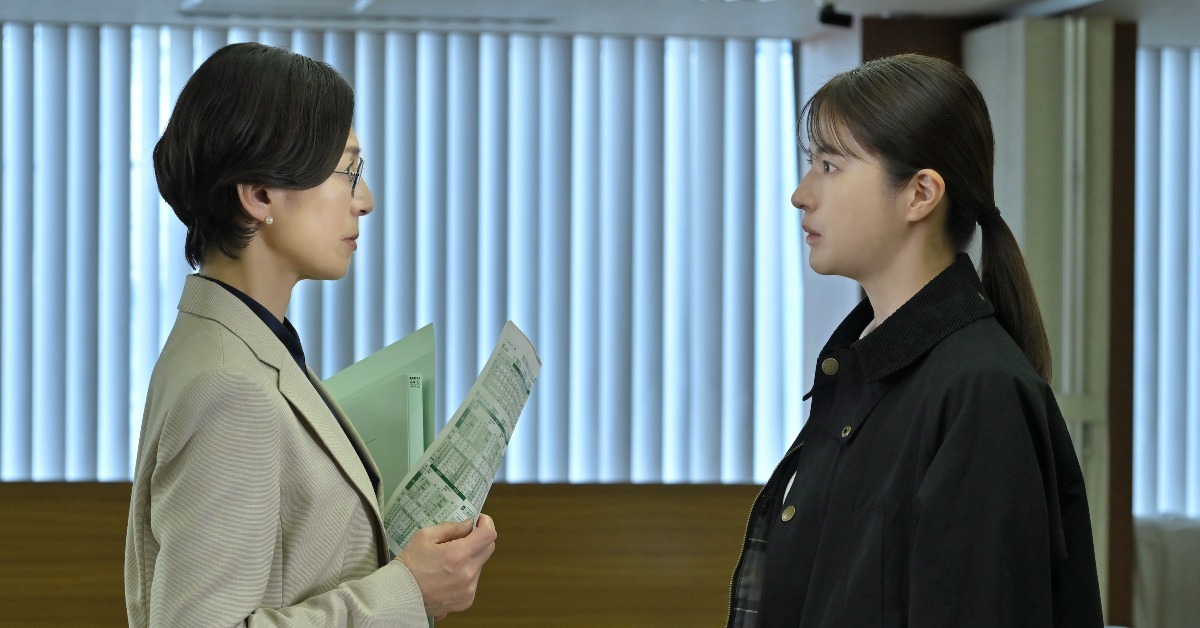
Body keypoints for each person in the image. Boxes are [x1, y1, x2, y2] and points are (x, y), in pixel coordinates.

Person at [125, 42, 496, 627]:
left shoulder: (249, 343)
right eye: (349, 172)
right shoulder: (228, 386)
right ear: (259, 195)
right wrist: (408, 594)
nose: (365, 201)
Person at [727, 54, 1103, 627]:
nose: (802, 194)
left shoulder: (978, 389)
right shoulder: (862, 368)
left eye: (829, 165)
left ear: (920, 193)